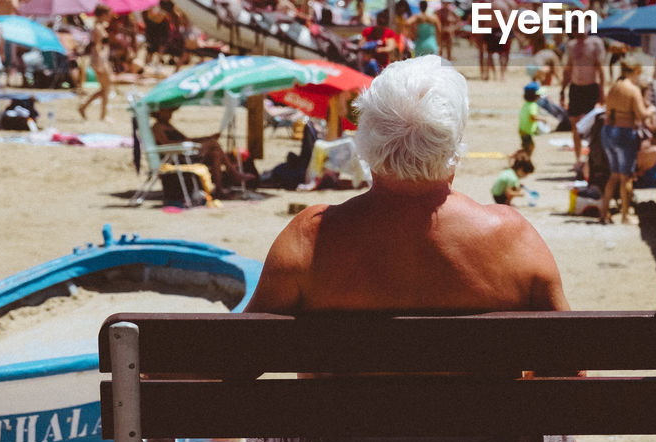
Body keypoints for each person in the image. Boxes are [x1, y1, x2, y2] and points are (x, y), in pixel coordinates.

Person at [245, 55, 569, 316]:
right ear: (454, 149)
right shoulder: (513, 239)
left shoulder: (309, 238)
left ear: (366, 144)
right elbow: (571, 368)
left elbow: (235, 358)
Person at [150, 107, 255, 194]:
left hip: (182, 153)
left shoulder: (168, 126)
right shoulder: (157, 127)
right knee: (214, 145)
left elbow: (187, 139)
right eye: (168, 111)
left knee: (215, 153)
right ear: (160, 112)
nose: (170, 114)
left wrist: (206, 138)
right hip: (175, 156)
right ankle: (233, 174)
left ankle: (219, 187)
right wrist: (187, 144)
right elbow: (166, 144)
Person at [599, 59, 654, 225]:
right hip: (624, 133)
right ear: (635, 72)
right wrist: (651, 110)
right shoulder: (633, 90)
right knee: (626, 177)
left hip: (608, 131)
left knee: (613, 175)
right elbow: (641, 115)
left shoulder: (614, 87)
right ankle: (625, 215)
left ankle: (603, 213)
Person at [562, 27, 606, 165]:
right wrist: (562, 90)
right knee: (575, 125)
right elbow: (568, 69)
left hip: (590, 88)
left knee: (592, 125)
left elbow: (600, 70)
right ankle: (578, 159)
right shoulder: (571, 45)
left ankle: (590, 158)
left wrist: (602, 92)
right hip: (575, 88)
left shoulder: (595, 44)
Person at [78, 4, 114, 121]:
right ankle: (102, 114)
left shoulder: (99, 27)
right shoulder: (97, 28)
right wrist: (101, 63)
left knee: (105, 89)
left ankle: (88, 108)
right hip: (100, 60)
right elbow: (97, 47)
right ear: (103, 15)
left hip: (102, 60)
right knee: (106, 88)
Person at [518, 81, 547, 158]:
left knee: (528, 146)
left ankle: (523, 158)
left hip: (523, 130)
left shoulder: (526, 104)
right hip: (526, 132)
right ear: (535, 96)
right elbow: (532, 117)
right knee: (530, 147)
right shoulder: (533, 105)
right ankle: (523, 160)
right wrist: (542, 119)